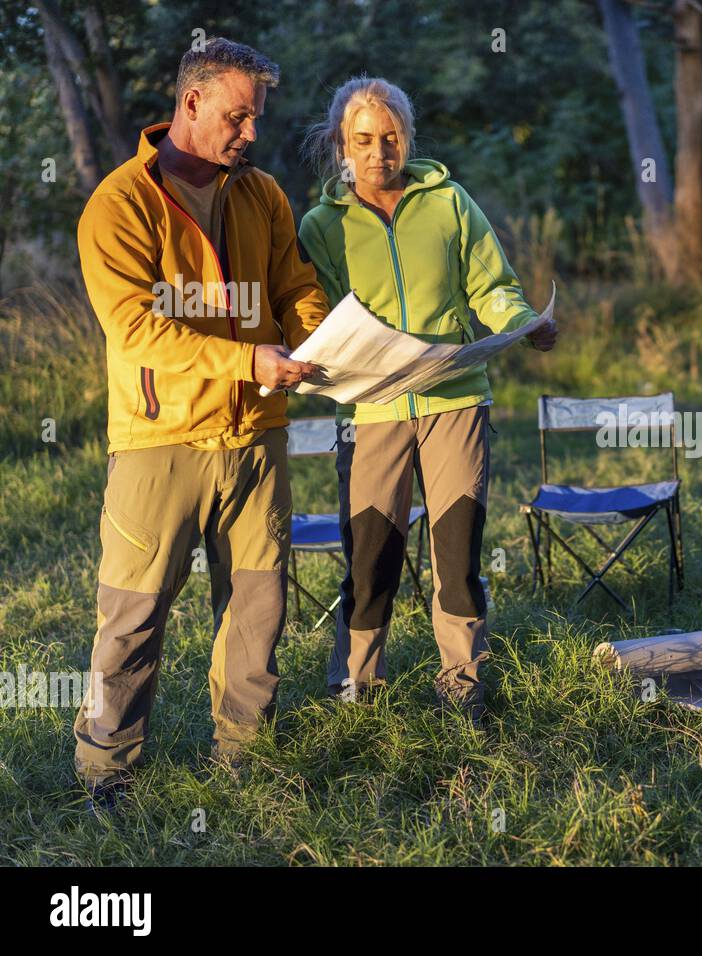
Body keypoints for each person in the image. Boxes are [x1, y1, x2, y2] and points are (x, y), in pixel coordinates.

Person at [74, 38, 329, 809]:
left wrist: (320, 342)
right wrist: (251, 362)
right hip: (161, 441)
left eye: (255, 117)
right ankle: (104, 775)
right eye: (238, 116)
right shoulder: (117, 205)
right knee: (132, 617)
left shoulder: (264, 195)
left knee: (258, 610)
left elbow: (296, 286)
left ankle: (243, 759)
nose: (250, 132)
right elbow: (137, 330)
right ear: (191, 103)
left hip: (258, 439)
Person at [298, 77, 558, 722]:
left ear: (408, 138)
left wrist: (524, 322)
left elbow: (491, 285)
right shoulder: (321, 227)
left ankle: (462, 684)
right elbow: (317, 315)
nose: (380, 152)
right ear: (341, 147)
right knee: (371, 556)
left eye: (391, 138)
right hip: (371, 408)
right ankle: (357, 688)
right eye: (364, 140)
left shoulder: (450, 203)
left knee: (457, 552)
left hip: (454, 398)